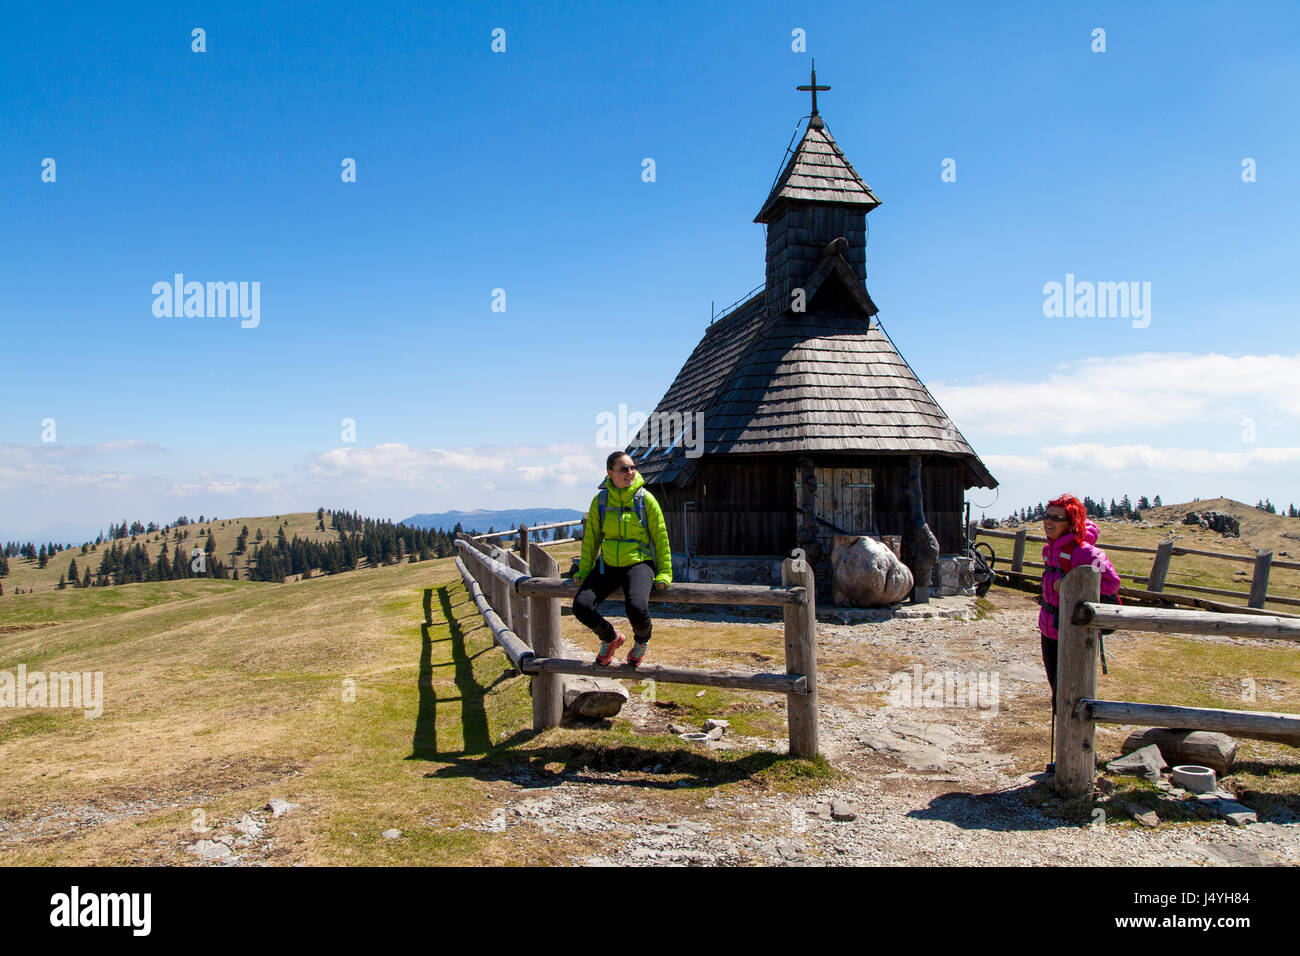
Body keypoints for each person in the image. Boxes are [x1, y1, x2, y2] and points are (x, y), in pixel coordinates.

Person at [1039, 494, 1121, 766]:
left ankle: (1081, 760)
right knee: (1059, 693)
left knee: (1073, 695)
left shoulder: (1084, 551)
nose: (1048, 522)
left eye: (1056, 517)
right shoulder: (1051, 548)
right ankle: (1066, 758)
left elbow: (1111, 583)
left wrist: (1068, 581)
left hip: (1073, 633)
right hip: (1050, 630)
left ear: (1071, 522)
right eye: (1047, 515)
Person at [572, 451, 672, 668]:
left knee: (637, 608)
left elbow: (661, 538)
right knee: (581, 606)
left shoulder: (646, 499)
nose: (630, 472)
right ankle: (610, 638)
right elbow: (591, 540)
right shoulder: (600, 501)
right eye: (624, 468)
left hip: (639, 563)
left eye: (632, 467)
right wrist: (584, 570)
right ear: (610, 473)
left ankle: (641, 643)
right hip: (607, 564)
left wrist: (665, 573)